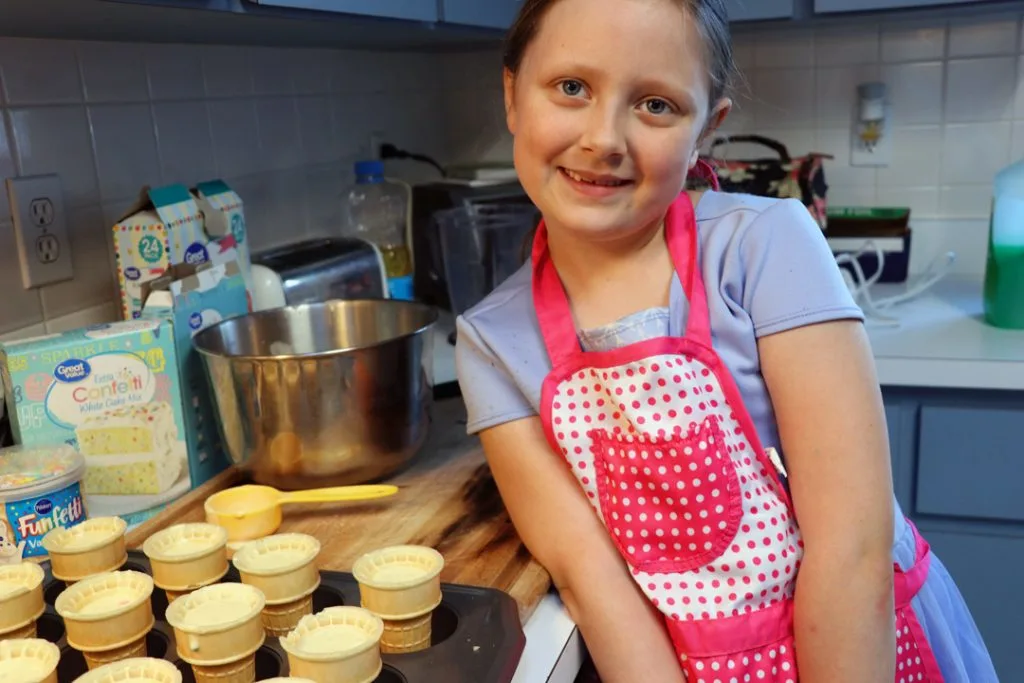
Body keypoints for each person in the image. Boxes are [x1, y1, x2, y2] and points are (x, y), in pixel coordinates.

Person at [454, 0, 998, 681]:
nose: (604, 137)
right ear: (512, 93)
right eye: (571, 87)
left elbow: (851, 547)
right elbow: (594, 580)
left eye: (655, 104)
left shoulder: (765, 246)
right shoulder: (490, 341)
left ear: (707, 128)